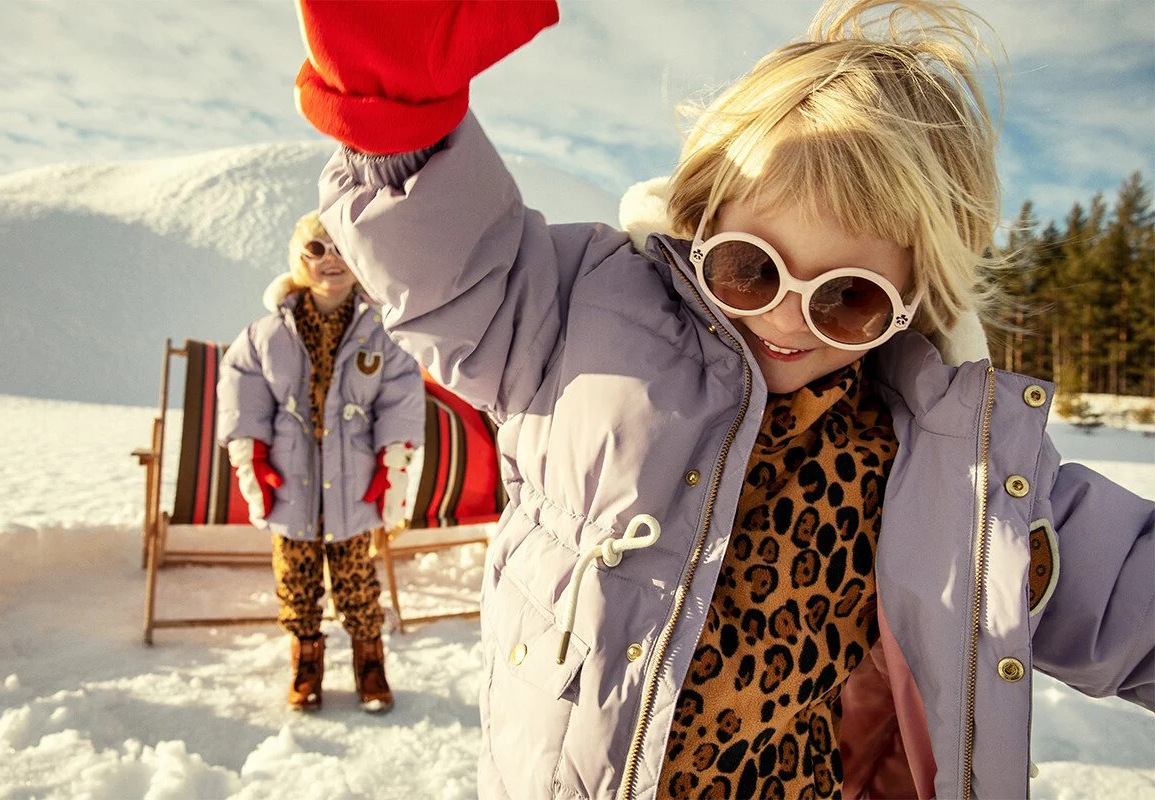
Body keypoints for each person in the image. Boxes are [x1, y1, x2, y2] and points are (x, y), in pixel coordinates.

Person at [291, 1, 1154, 797]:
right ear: (701, 221)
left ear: (906, 303)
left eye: (846, 297)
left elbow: (1122, 595)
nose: (786, 316)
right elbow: (451, 266)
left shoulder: (950, 461)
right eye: (752, 268)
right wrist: (397, 106)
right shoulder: (579, 322)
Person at [217, 210, 424, 714]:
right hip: (291, 482)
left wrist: (392, 462)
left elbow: (399, 398)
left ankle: (368, 661)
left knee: (358, 581)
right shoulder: (265, 335)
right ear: (298, 260)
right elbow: (244, 394)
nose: (330, 261)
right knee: (296, 579)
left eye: (339, 248)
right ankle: (305, 660)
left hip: (354, 484)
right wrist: (253, 455)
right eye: (316, 250)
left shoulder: (382, 335)